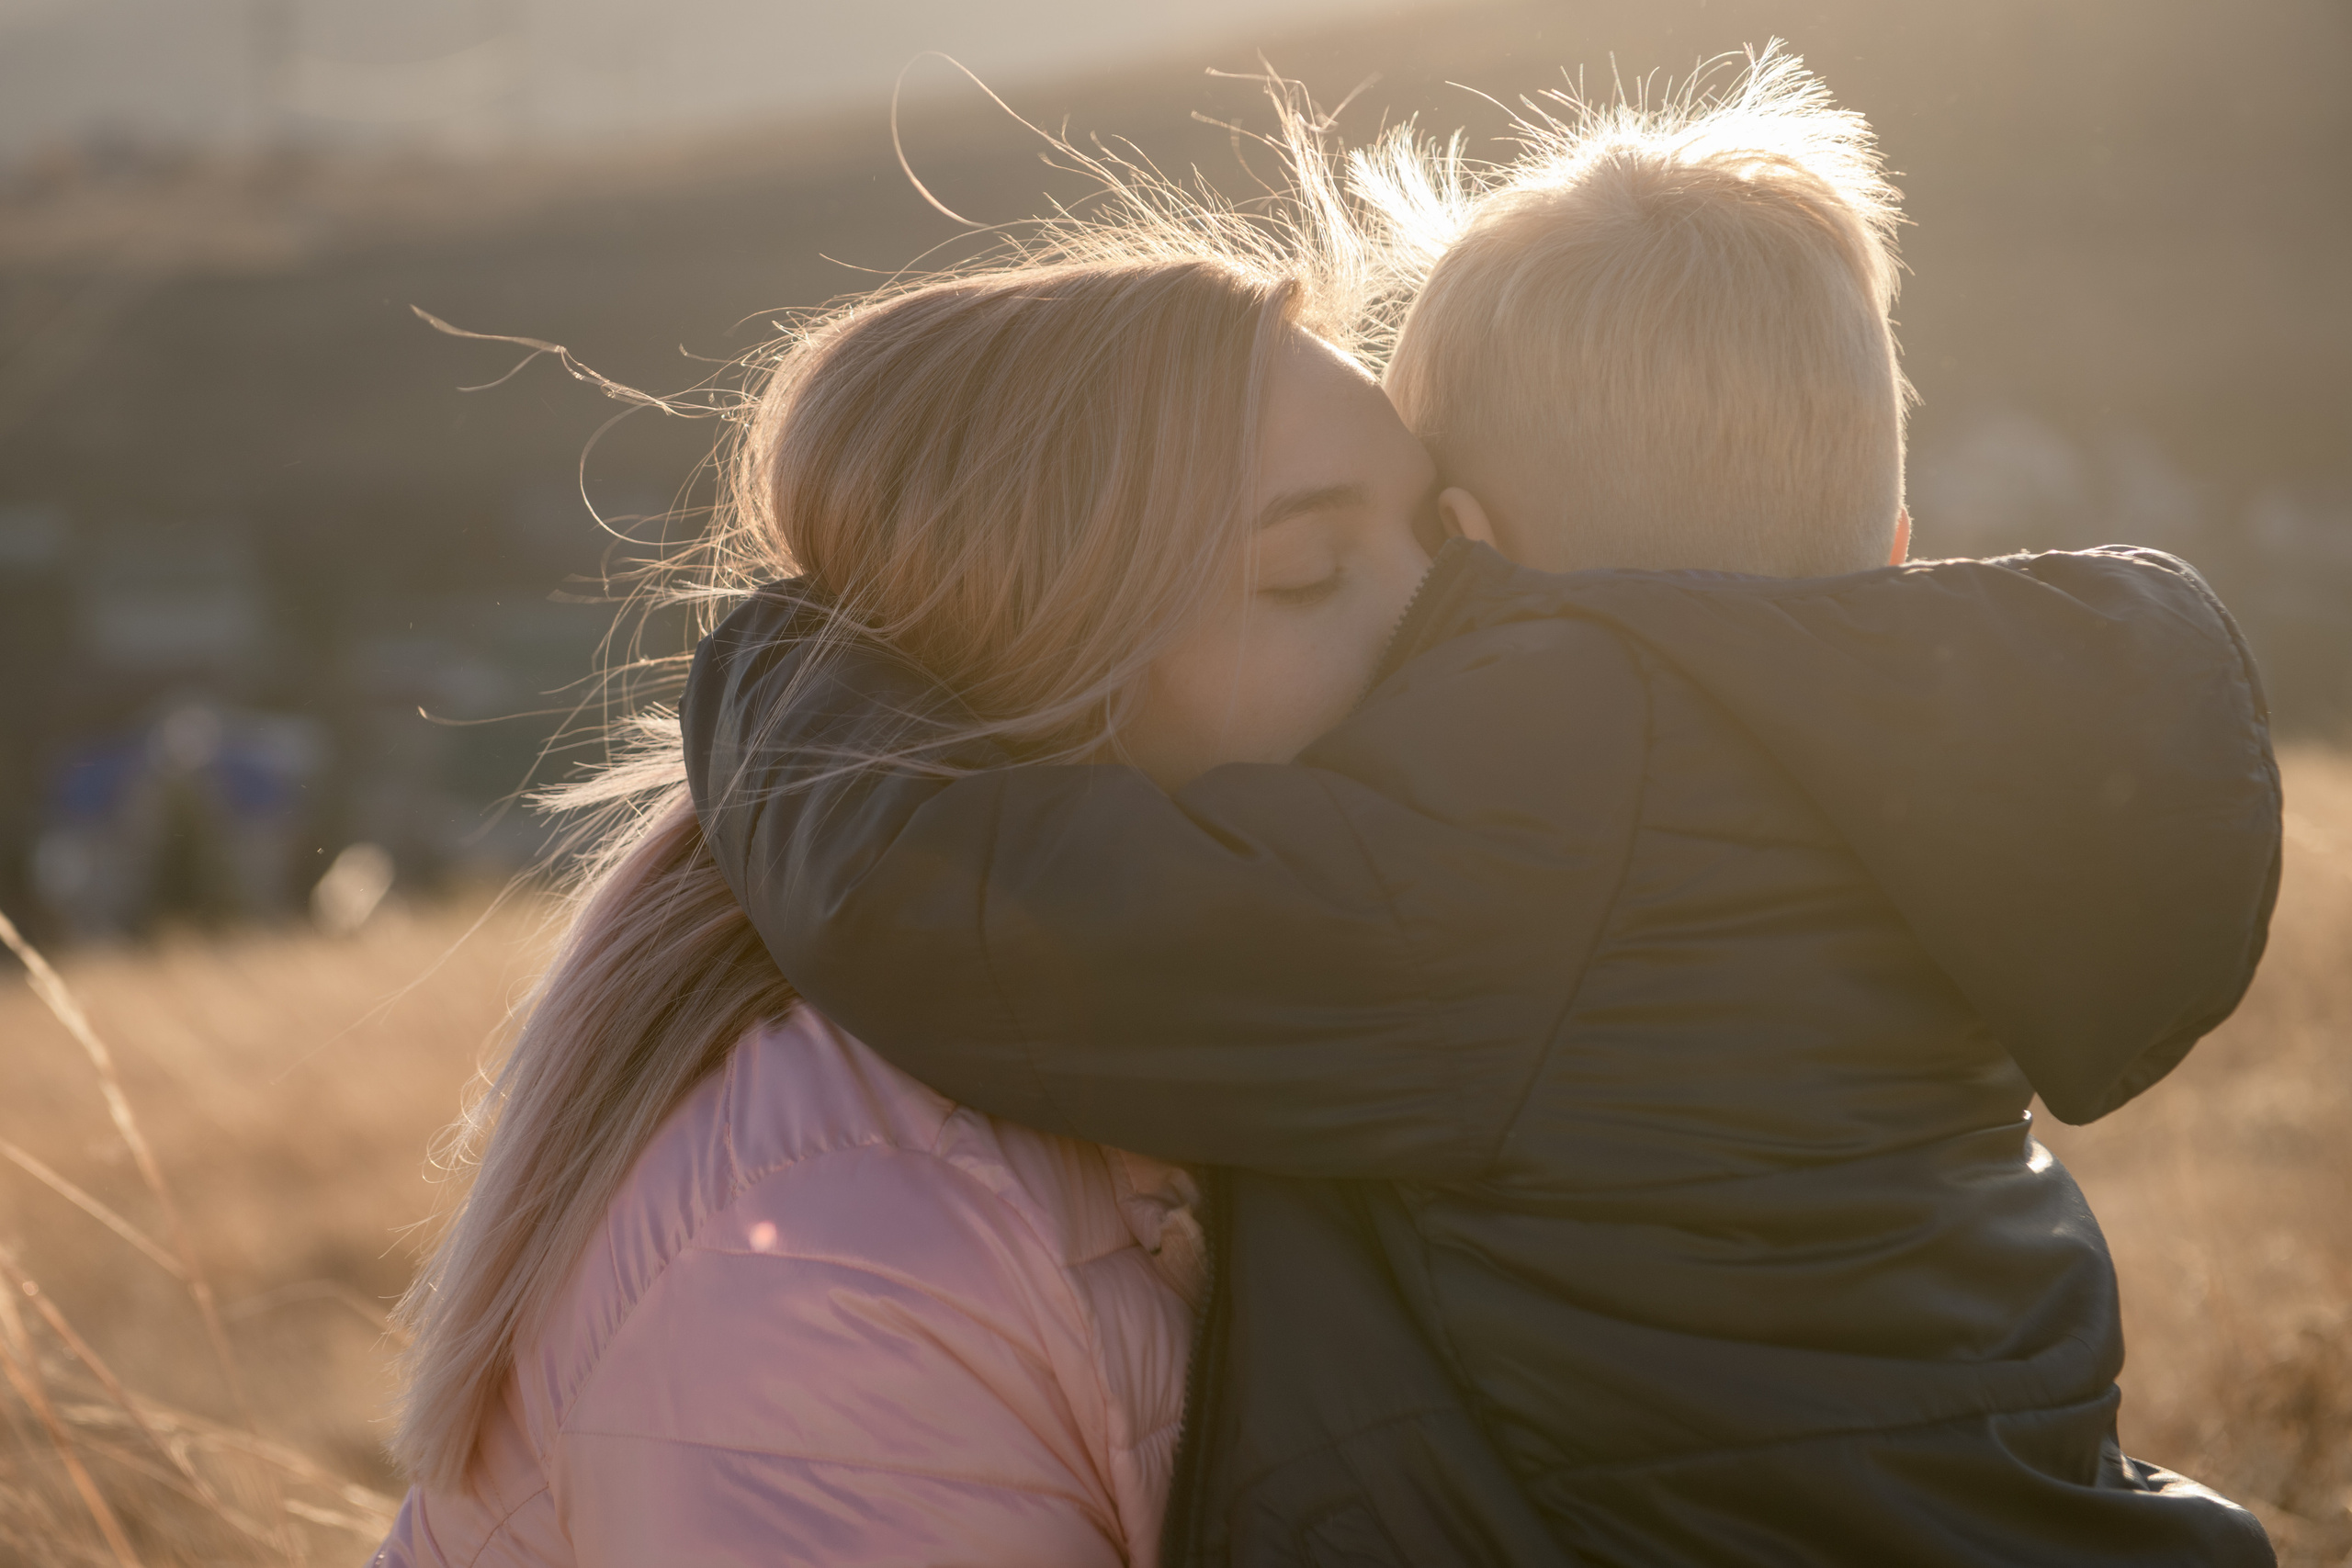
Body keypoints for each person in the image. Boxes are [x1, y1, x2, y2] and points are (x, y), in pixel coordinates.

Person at [684, 51, 2284, 1566]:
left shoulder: (1540, 818)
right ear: (1891, 541)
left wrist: (809, 639)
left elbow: (954, 912)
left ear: (1476, 543)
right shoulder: (1942, 761)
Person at [374, 152, 1450, 1563]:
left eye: (1442, 533)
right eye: (1311, 575)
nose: (1452, 619)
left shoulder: (1193, 1057)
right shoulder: (841, 1269)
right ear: (1065, 685)